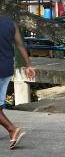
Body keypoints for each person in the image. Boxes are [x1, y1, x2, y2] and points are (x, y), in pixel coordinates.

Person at [0, 15, 36, 149]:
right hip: (7, 69)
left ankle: (12, 129)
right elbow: (20, 45)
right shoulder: (10, 23)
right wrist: (28, 65)